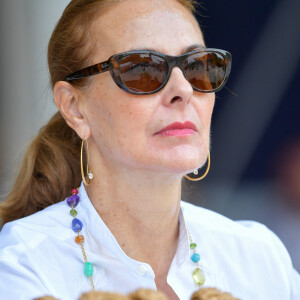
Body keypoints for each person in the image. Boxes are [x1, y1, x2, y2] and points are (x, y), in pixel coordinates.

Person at [0, 0, 299, 299]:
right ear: (75, 107)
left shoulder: (259, 259)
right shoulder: (23, 265)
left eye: (197, 66)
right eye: (143, 69)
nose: (183, 90)